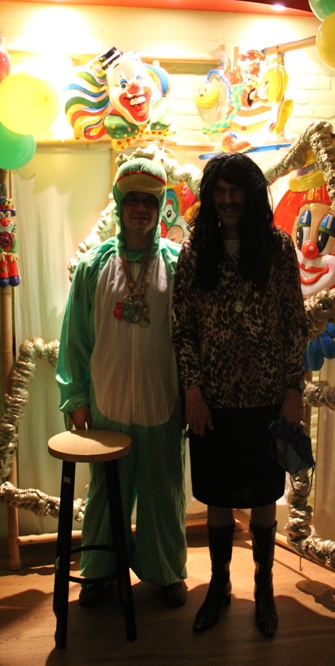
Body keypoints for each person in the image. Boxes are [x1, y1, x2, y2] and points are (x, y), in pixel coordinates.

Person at [172, 151, 307, 636]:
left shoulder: (277, 248)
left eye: (236, 191)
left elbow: (295, 322)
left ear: (251, 196)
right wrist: (192, 391)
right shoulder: (195, 251)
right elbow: (182, 330)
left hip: (267, 397)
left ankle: (264, 589)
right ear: (210, 197)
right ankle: (219, 585)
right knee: (218, 496)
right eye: (220, 192)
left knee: (265, 494)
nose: (227, 200)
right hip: (213, 401)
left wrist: (293, 388)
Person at [56, 149, 187, 609]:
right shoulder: (94, 265)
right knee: (105, 494)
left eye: (150, 201)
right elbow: (75, 336)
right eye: (133, 199)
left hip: (161, 400)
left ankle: (166, 572)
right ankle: (99, 571)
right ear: (119, 202)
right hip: (107, 401)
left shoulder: (177, 264)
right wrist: (75, 397)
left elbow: (191, 338)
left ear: (161, 206)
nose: (141, 209)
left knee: (162, 491)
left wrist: (193, 396)